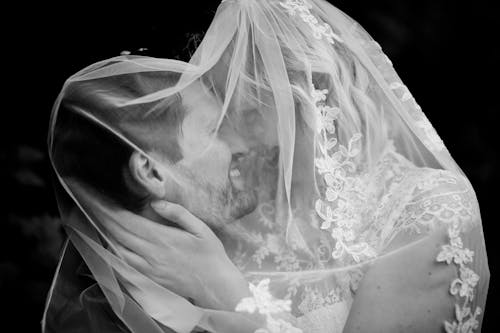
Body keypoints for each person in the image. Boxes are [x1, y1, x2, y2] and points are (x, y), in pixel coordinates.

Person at [43, 0, 489, 332]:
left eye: (241, 111)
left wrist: (223, 290)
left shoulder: (426, 210)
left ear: (304, 94)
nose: (233, 138)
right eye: (218, 118)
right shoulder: (232, 219)